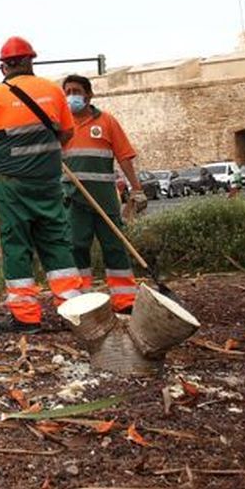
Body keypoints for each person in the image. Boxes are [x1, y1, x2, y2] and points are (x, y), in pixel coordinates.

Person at [0, 36, 87, 335]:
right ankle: (72, 310)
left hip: (13, 183)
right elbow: (66, 134)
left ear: (3, 66)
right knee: (56, 241)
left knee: (16, 245)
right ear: (30, 61)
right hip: (48, 182)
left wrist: (6, 148)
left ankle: (25, 316)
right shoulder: (51, 90)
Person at [61, 74, 145, 314]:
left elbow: (124, 156)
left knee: (115, 247)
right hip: (74, 198)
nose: (71, 96)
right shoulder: (61, 127)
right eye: (67, 92)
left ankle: (125, 300)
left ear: (89, 95)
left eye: (76, 91)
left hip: (105, 199)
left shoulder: (107, 122)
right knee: (76, 247)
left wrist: (137, 189)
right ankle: (83, 302)